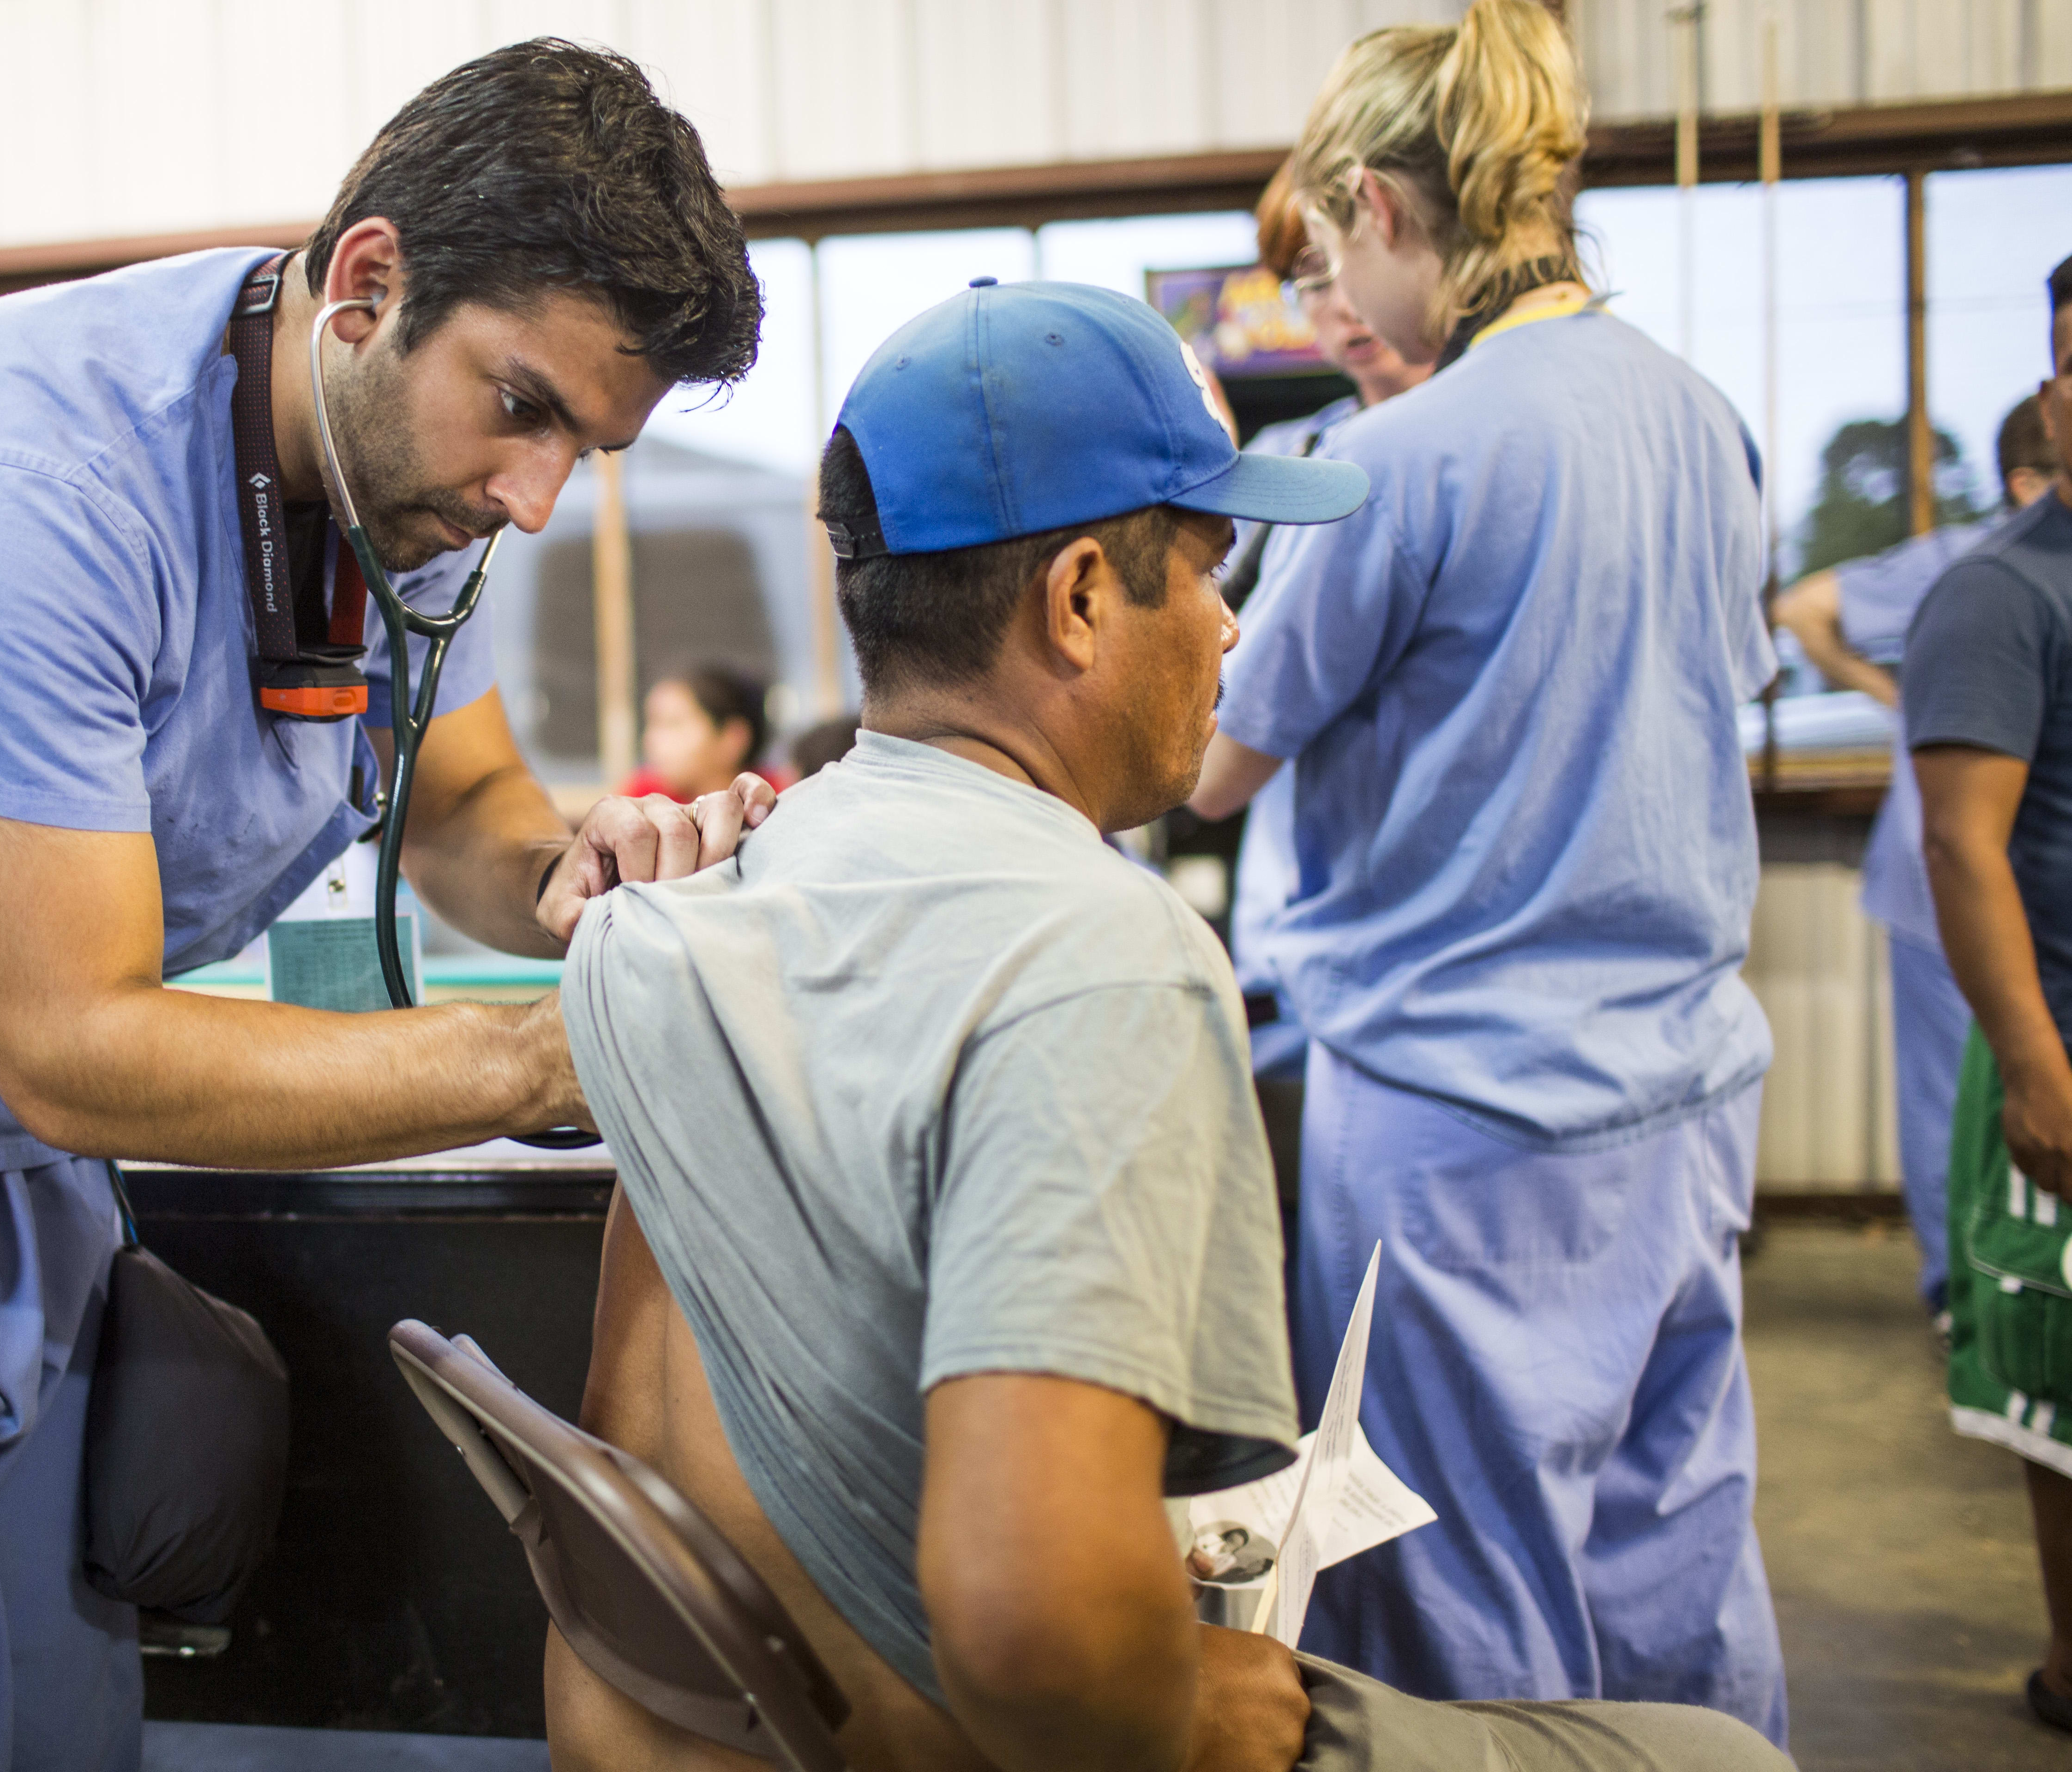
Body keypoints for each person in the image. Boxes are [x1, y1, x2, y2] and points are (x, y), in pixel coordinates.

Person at [0, 41, 764, 1771]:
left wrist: (577, 881)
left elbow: (460, 808)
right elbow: (81, 1047)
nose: (534, 499)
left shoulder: (393, 468)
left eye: (587, 447)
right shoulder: (13, 492)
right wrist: (567, 1057)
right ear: (368, 283)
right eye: (523, 407)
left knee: (58, 1716)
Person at [556, 278, 1789, 1772]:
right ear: (1078, 601)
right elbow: (1037, 1633)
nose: (1231, 629)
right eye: (1209, 573)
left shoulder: (721, 890)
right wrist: (1185, 1716)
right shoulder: (1102, 962)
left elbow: (623, 1491)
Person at [1185, 0, 1786, 1738]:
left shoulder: (1390, 465)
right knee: (1673, 1552)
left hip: (1460, 1133)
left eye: (1323, 263)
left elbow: (1209, 757)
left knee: (1456, 1602)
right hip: (1680, 1105)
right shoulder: (1702, 421)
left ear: (1375, 206)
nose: (1331, 315)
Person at [1772, 395, 2062, 1315]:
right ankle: (1959, 1300)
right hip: (1949, 887)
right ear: (2027, 482)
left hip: (2021, 887)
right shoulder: (1975, 567)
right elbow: (1802, 606)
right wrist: (1896, 696)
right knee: (1957, 1102)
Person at [1907, 249, 2072, 1738]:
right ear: (2053, 395)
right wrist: (2034, 1062)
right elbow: (1964, 847)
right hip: (2062, 1041)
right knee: (2062, 1387)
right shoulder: (1999, 597)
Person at [1224, 164, 1433, 1084]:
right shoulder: (1288, 463)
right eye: (1311, 277)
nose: (1343, 304)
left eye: (1357, 261)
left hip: (1432, 947)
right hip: (1291, 938)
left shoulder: (1474, 449)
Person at [619, 662, 769, 801]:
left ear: (733, 739)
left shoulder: (774, 802)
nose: (650, 740)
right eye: (652, 724)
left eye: (673, 723)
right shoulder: (645, 800)